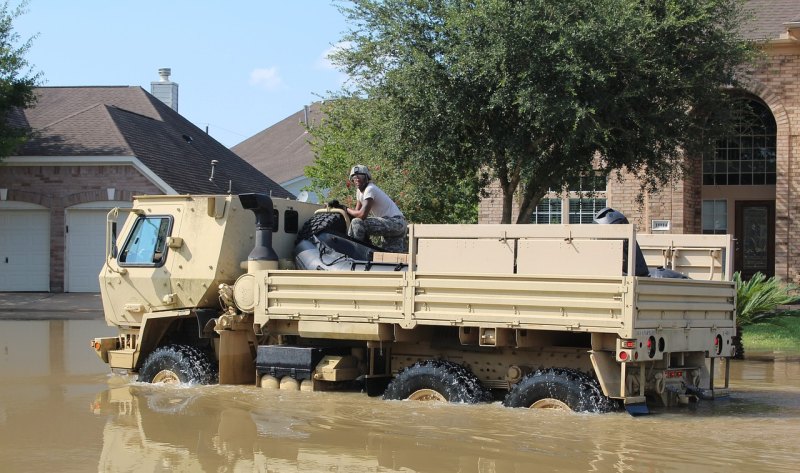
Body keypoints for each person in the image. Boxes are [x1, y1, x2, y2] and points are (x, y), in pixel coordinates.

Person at [344, 164, 407, 252]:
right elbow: (356, 213)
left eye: (361, 176)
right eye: (354, 177)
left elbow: (361, 215)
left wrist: (345, 209)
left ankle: (357, 252)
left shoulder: (370, 189)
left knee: (357, 223)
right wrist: (340, 209)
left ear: (367, 177)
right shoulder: (359, 191)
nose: (357, 178)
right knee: (391, 258)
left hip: (395, 222)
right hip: (396, 225)